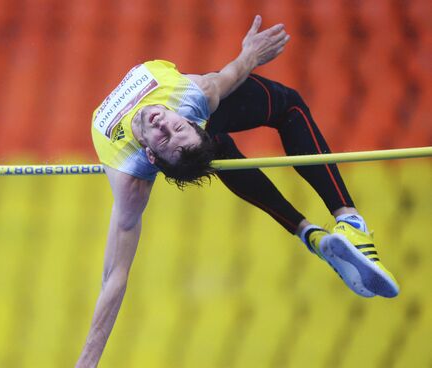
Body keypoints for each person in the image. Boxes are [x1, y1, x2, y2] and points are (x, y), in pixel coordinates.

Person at [77, 15, 399, 367]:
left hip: (203, 116)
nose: (163, 122)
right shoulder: (152, 151)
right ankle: (316, 231)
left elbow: (236, 70)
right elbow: (115, 276)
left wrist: (250, 53)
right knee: (222, 141)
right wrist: (88, 362)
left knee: (285, 107)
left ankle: (348, 222)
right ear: (153, 155)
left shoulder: (179, 117)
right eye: (171, 132)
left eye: (173, 128)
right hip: (198, 120)